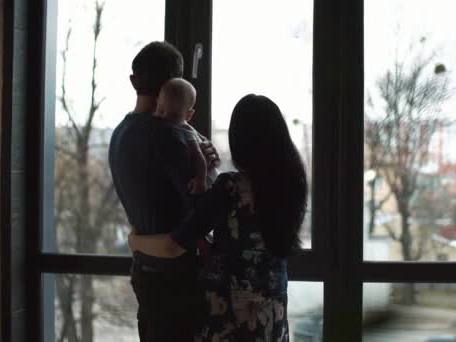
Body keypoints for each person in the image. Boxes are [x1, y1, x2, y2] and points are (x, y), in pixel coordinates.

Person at [128, 94, 308, 341]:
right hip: (272, 321)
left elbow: (173, 246)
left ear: (239, 140)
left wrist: (135, 242)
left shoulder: (231, 188)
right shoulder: (294, 185)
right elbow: (251, 247)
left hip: (229, 321)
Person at [108, 41, 219, 342]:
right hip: (177, 278)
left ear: (134, 82)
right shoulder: (168, 134)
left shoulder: (119, 133)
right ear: (175, 84)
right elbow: (205, 205)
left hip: (145, 271)